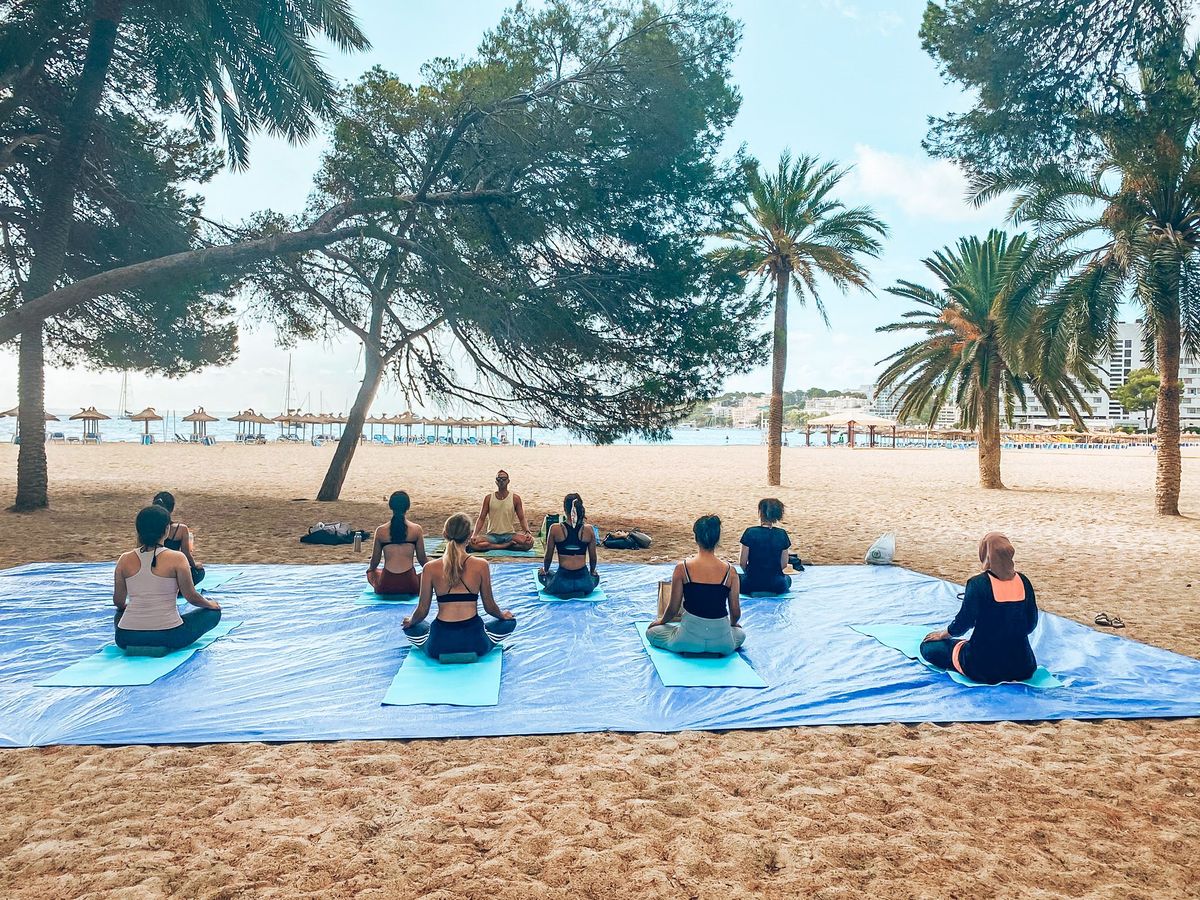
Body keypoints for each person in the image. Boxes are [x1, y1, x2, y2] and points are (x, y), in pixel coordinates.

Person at [920, 532, 1039, 684]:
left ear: (985, 554)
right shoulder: (1024, 582)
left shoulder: (978, 584)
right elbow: (1031, 624)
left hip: (983, 667)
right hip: (1023, 667)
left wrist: (943, 634)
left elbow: (963, 623)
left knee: (928, 647)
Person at [403, 513, 516, 658]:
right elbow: (490, 607)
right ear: (469, 536)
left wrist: (410, 621)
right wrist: (502, 615)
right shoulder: (481, 565)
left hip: (439, 643)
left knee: (411, 627)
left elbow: (422, 610)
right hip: (474, 641)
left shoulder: (430, 568)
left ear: (444, 534)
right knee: (509, 622)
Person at [113, 505, 221, 653]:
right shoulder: (177, 558)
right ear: (166, 530)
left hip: (126, 637)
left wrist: (129, 611)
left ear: (138, 531)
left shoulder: (124, 559)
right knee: (213, 613)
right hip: (168, 635)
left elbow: (118, 602)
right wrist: (210, 605)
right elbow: (191, 596)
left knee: (119, 613)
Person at [647, 515, 744, 655]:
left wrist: (661, 621)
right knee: (740, 633)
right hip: (722, 643)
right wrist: (733, 625)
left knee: (652, 632)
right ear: (717, 539)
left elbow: (673, 608)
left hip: (687, 640)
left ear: (696, 538)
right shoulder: (731, 571)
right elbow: (735, 611)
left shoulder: (682, 568)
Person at [539, 493, 600, 598]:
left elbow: (548, 557)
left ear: (564, 508)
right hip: (584, 583)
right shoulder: (589, 529)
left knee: (543, 574)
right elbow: (593, 558)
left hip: (562, 583)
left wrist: (545, 571)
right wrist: (592, 572)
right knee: (595, 577)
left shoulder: (555, 529)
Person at [367, 491, 427, 595]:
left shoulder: (381, 531)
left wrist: (370, 571)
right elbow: (422, 560)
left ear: (391, 506)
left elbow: (374, 562)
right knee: (428, 575)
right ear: (408, 507)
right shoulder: (416, 530)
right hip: (411, 584)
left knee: (373, 572)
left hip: (386, 585)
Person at [469, 470, 534, 551]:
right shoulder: (488, 498)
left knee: (529, 543)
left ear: (508, 481)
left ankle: (494, 546)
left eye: (504, 479)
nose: (501, 481)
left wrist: (527, 532)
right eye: (499, 479)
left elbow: (522, 518)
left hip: (509, 535)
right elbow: (481, 518)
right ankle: (505, 546)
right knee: (472, 543)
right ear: (496, 482)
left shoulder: (515, 498)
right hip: (492, 536)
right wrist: (474, 535)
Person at [739, 497, 792, 595]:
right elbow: (784, 564)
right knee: (788, 579)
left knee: (737, 578)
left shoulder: (750, 532)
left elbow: (742, 563)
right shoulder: (782, 534)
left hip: (751, 584)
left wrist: (753, 574)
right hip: (777, 584)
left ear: (761, 513)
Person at [152, 490, 204, 585]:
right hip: (172, 576)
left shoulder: (146, 526)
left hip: (151, 576)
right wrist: (194, 565)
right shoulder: (181, 529)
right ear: (171, 509)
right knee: (199, 572)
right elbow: (186, 554)